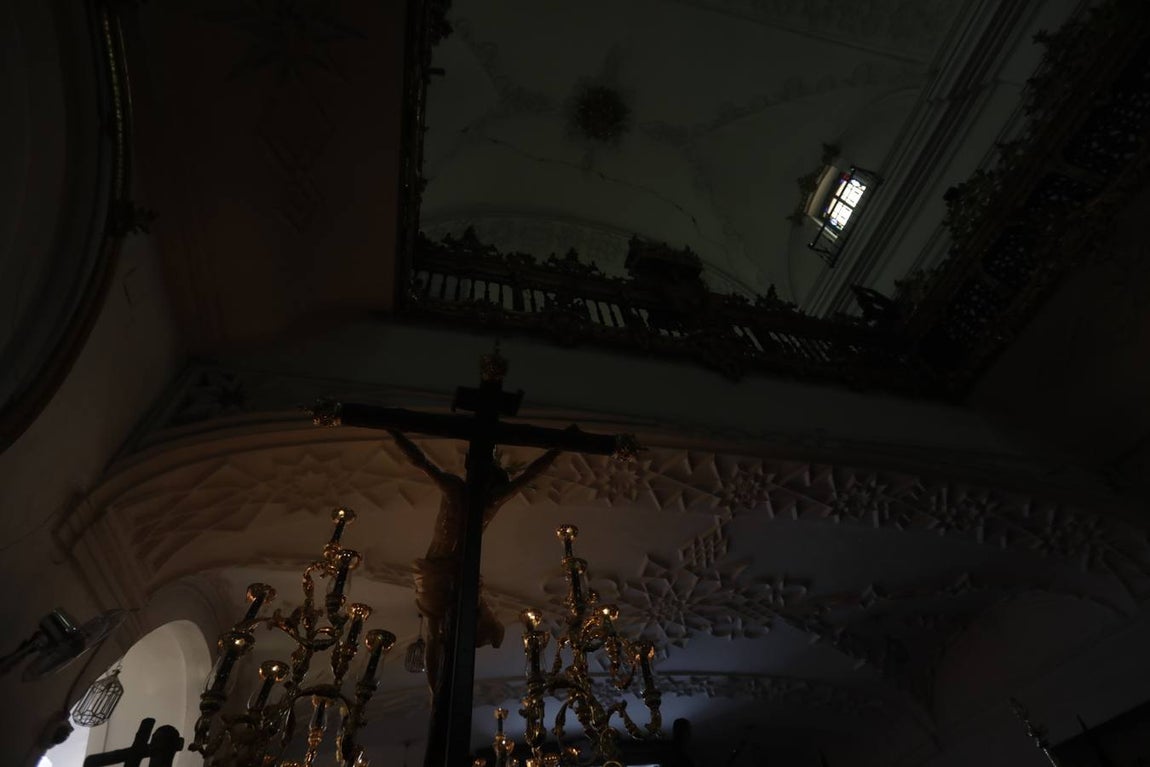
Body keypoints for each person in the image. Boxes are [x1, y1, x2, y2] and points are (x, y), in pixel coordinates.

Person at [386, 428, 567, 692]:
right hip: (440, 571)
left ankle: (439, 688)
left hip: (453, 569)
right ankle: (437, 691)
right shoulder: (466, 492)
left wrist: (557, 449)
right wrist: (394, 432)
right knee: (437, 629)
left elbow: (528, 475)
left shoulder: (483, 497)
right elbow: (421, 461)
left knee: (445, 628)